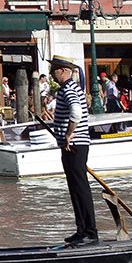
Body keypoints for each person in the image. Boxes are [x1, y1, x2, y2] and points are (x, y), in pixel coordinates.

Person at [44, 55, 98, 247]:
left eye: (54, 70)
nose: (52, 74)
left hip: (74, 145)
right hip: (72, 146)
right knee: (75, 188)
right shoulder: (69, 89)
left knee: (80, 188)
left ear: (64, 71)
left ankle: (90, 233)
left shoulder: (69, 89)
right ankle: (82, 230)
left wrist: (68, 135)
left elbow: (76, 112)